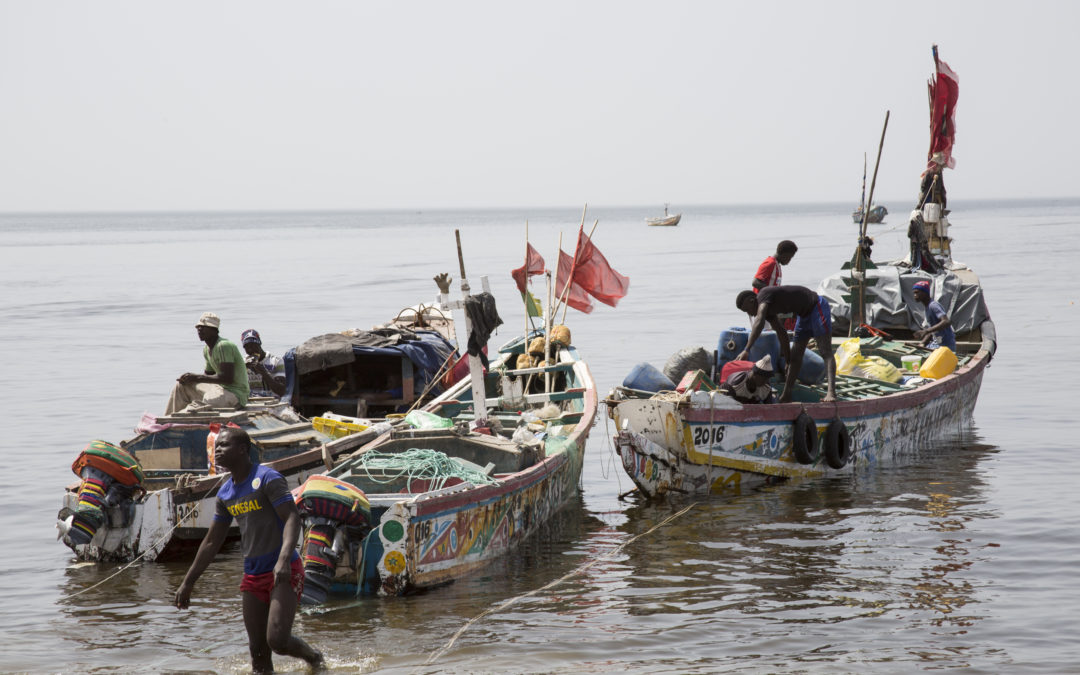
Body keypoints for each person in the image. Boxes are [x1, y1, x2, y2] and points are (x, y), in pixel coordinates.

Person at [174, 427, 323, 674]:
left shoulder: (267, 479)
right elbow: (211, 541)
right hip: (253, 575)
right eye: (216, 447)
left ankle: (314, 657)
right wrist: (188, 582)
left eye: (223, 446)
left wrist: (284, 559)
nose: (217, 450)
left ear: (243, 449)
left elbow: (292, 519)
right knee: (258, 652)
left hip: (282, 570)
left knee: (277, 641)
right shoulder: (225, 493)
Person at [735, 286, 837, 403]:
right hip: (803, 316)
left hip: (816, 307)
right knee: (795, 357)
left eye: (747, 310)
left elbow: (759, 322)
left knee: (826, 352)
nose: (750, 315)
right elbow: (782, 333)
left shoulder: (763, 296)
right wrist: (787, 359)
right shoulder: (768, 312)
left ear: (752, 301)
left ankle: (831, 393)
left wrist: (746, 349)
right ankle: (786, 395)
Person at [165, 312, 250, 414]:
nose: (199, 330)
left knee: (209, 400)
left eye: (204, 327)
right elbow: (208, 376)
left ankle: (184, 415)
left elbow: (227, 378)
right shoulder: (207, 349)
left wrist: (196, 377)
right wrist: (190, 379)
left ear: (214, 330)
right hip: (220, 389)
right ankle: (167, 418)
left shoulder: (223, 346)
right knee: (182, 386)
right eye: (198, 327)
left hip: (235, 394)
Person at [752, 240, 798, 330]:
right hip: (761, 306)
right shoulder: (770, 263)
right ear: (785, 254)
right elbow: (756, 282)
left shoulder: (777, 266)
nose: (790, 260)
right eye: (790, 257)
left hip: (770, 307)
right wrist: (774, 291)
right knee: (764, 333)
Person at [911, 280, 956, 352]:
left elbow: (946, 321)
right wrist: (922, 343)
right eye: (914, 293)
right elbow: (932, 330)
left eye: (917, 292)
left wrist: (925, 331)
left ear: (925, 293)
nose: (915, 295)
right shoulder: (927, 307)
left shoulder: (933, 305)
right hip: (937, 343)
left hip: (945, 345)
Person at [242, 329, 286, 398]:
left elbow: (281, 391)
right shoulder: (242, 363)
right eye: (247, 347)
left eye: (253, 345)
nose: (251, 349)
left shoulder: (276, 361)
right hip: (251, 401)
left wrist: (263, 372)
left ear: (259, 343)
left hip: (272, 402)